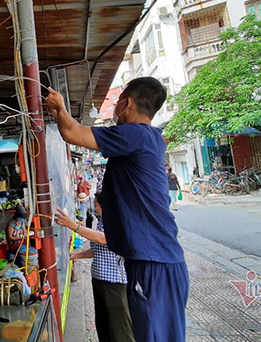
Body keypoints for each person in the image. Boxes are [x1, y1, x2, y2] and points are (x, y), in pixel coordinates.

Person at [46, 77, 188, 342]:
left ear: (128, 102)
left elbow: (73, 133)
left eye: (119, 99)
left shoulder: (136, 134)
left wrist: (60, 107)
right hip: (152, 261)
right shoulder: (148, 138)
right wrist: (58, 113)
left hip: (154, 263)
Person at [56, 193, 134, 342]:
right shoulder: (102, 222)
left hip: (114, 284)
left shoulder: (117, 222)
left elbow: (103, 238)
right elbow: (98, 250)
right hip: (100, 281)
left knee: (119, 328)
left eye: (96, 205)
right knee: (104, 325)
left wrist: (74, 226)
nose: (95, 208)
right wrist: (75, 256)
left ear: (104, 206)